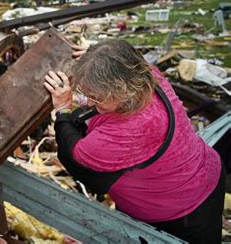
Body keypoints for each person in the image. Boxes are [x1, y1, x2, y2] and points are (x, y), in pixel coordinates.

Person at [44, 39, 224, 243]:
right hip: (205, 174)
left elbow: (75, 155)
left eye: (96, 97)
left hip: (182, 212)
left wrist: (63, 108)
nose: (91, 102)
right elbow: (122, 60)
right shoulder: (144, 74)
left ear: (120, 90)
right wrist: (97, 57)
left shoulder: (132, 129)